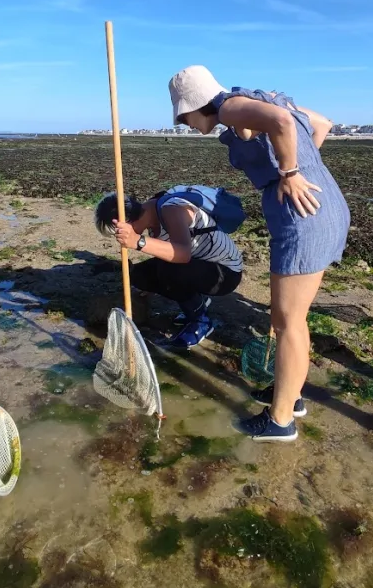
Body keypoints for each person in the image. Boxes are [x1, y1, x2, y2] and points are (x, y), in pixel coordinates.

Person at [167, 65, 350, 442]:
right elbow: (322, 124)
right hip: (325, 205)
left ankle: (280, 421)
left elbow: (281, 122)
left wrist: (290, 173)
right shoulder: (255, 99)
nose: (185, 124)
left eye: (183, 117)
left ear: (195, 105)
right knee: (291, 319)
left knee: (287, 322)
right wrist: (297, 168)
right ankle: (291, 395)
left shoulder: (230, 107)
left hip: (303, 215)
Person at [94, 186, 245, 347]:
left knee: (170, 272)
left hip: (225, 272)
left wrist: (138, 241)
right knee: (139, 275)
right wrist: (152, 285)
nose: (119, 237)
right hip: (198, 265)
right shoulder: (150, 216)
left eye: (117, 231)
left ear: (125, 221)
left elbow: (183, 254)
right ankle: (197, 302)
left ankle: (201, 321)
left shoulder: (172, 209)